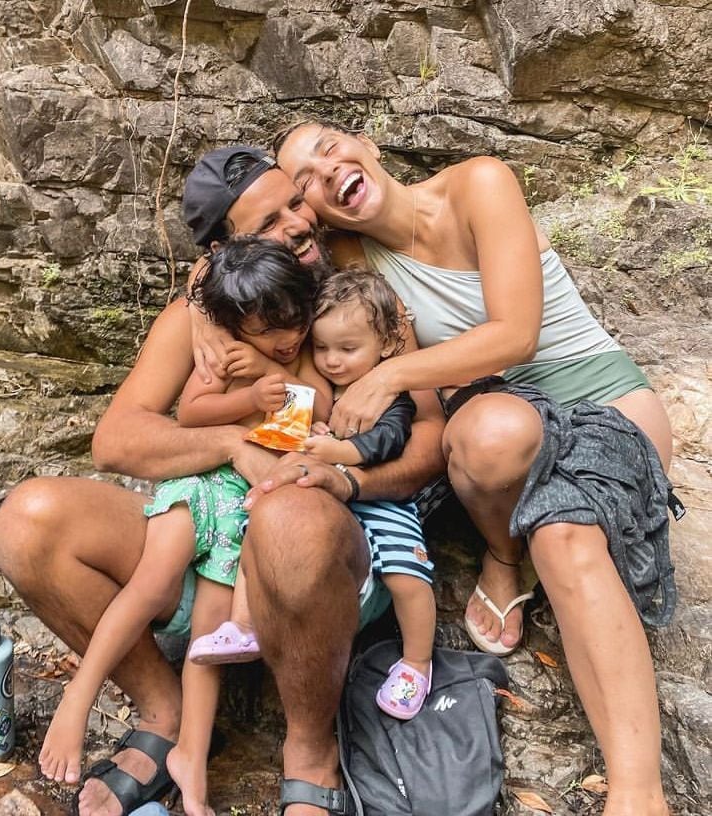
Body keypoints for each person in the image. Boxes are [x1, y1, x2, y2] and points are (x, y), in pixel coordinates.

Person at [0, 145, 446, 816]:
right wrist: (233, 441)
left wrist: (347, 484)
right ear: (229, 250)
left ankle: (309, 750)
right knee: (27, 521)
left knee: (288, 515)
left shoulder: (357, 290)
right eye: (270, 222)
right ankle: (161, 712)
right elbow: (116, 441)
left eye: (296, 201)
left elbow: (432, 437)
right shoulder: (210, 317)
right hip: (222, 533)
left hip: (334, 553)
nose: (296, 223)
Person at [275, 119, 674, 816]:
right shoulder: (354, 260)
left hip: (594, 395)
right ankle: (501, 549)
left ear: (365, 145)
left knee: (565, 537)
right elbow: (266, 272)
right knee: (487, 434)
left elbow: (513, 334)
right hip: (509, 419)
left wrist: (389, 376)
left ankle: (637, 796)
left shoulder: (479, 183)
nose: (325, 172)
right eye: (305, 179)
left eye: (329, 149)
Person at [37, 236, 326, 816]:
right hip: (203, 484)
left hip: (245, 507)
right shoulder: (228, 352)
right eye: (267, 331)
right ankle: (80, 694)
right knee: (150, 583)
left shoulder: (299, 352)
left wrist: (273, 368)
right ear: (237, 325)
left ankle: (189, 766)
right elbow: (192, 411)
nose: (284, 336)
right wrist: (246, 393)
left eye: (292, 322)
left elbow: (318, 403)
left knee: (211, 630)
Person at [193, 267, 437, 720]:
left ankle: (417, 662)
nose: (332, 360)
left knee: (406, 573)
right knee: (257, 530)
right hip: (328, 502)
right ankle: (243, 626)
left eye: (347, 349)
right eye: (322, 348)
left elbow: (391, 438)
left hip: (382, 500)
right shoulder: (327, 387)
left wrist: (339, 450)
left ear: (386, 344)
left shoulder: (386, 389)